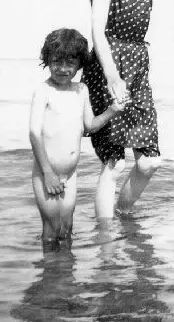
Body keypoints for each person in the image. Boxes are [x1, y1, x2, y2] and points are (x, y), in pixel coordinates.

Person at [82, 0, 169, 218]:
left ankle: (122, 216)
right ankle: (107, 245)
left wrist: (131, 74)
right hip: (110, 65)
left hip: (137, 68)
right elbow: (98, 28)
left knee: (149, 161)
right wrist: (112, 77)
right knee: (114, 162)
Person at [29, 28, 125, 242]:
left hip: (70, 176)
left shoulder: (81, 90)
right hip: (47, 173)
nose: (63, 69)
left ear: (80, 64)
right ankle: (50, 272)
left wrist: (112, 111)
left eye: (70, 63)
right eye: (56, 62)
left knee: (67, 228)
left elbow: (89, 126)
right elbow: (34, 133)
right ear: (47, 60)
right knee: (52, 228)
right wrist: (48, 173)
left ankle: (67, 272)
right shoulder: (43, 91)